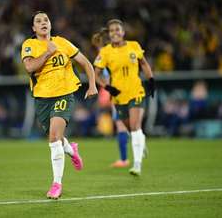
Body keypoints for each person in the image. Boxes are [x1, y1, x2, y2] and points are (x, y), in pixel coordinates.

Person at [21, 11, 98, 199]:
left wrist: (93, 85)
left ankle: (57, 184)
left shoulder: (62, 42)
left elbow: (86, 63)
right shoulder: (29, 45)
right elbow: (30, 67)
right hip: (42, 99)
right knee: (55, 136)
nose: (43, 23)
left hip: (64, 94)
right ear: (33, 28)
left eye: (45, 20)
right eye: (38, 21)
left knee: (54, 138)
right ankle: (72, 150)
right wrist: (48, 52)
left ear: (50, 24)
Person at [94, 19, 155, 176]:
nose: (115, 32)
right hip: (119, 97)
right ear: (109, 34)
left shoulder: (134, 46)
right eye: (112, 30)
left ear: (123, 32)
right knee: (131, 129)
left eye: (118, 29)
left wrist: (151, 81)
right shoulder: (106, 52)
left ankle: (136, 165)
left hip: (136, 92)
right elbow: (95, 75)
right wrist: (108, 88)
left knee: (135, 127)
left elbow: (144, 64)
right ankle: (141, 142)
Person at [92, 30, 130, 168]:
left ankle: (125, 158)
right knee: (122, 124)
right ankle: (125, 157)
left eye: (98, 45)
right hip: (120, 92)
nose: (97, 48)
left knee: (122, 124)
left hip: (119, 93)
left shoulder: (107, 56)